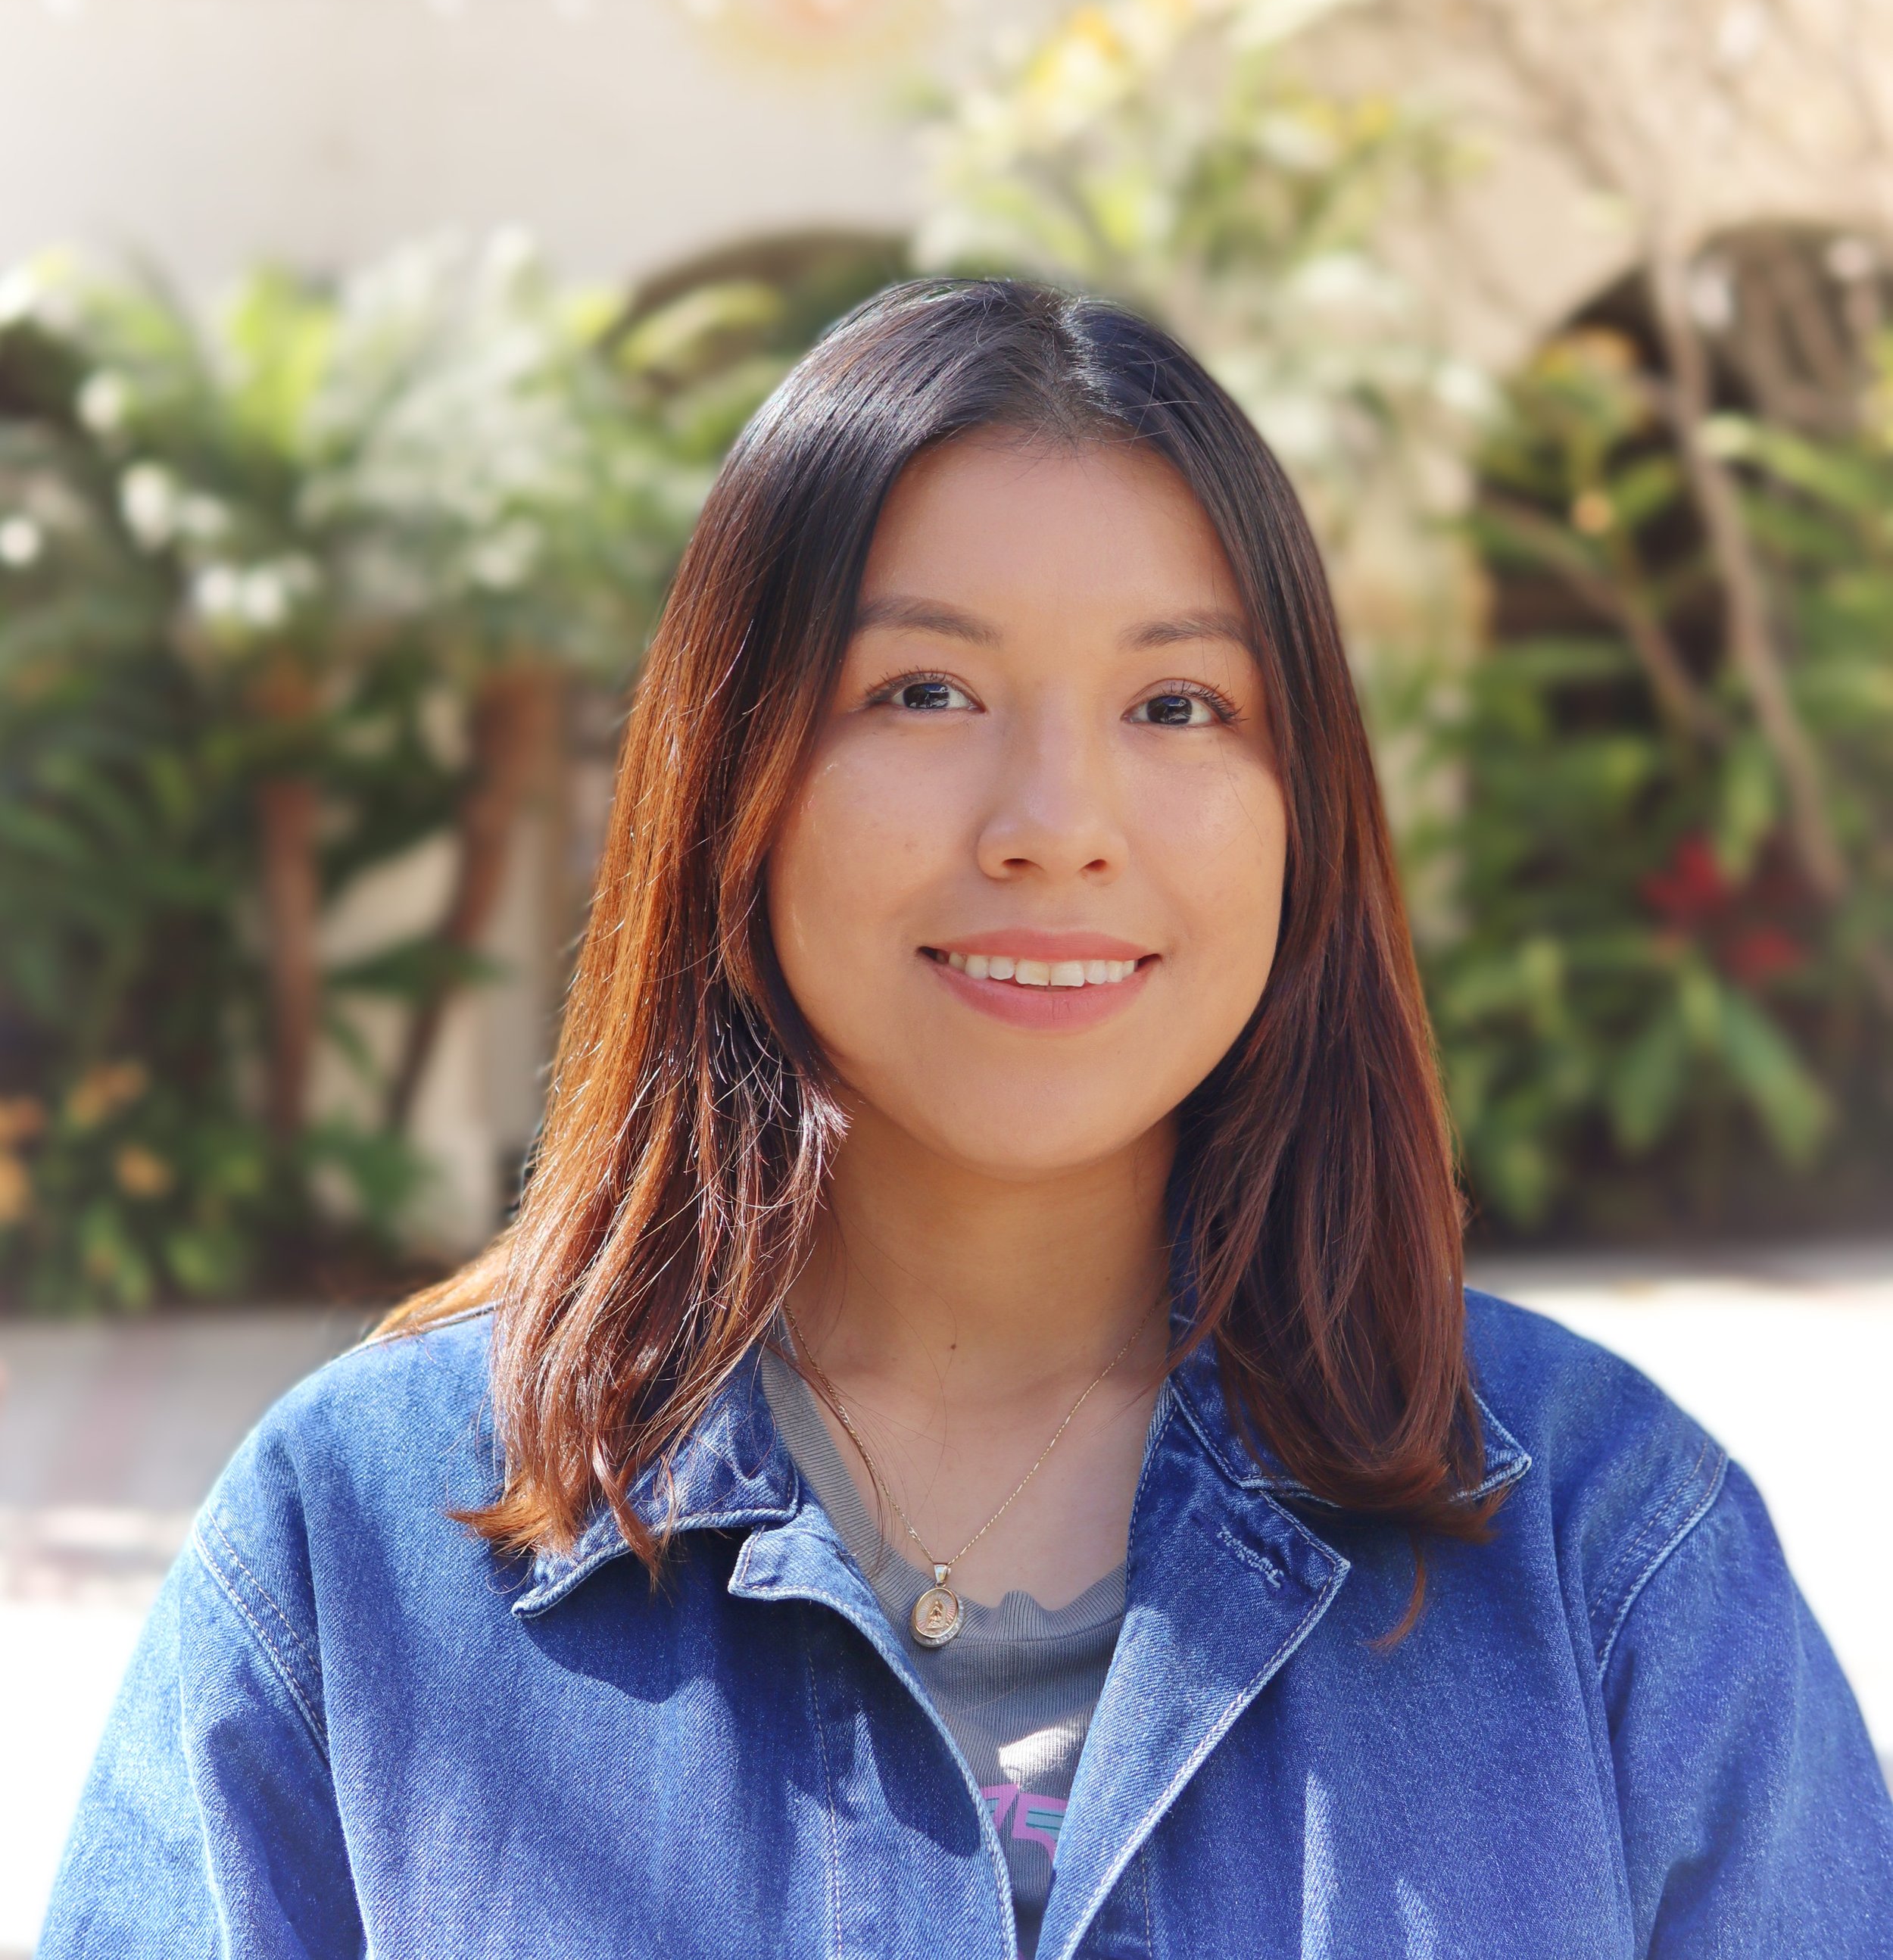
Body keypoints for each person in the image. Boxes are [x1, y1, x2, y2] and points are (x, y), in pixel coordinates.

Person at [42, 279, 1893, 1958]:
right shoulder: (358, 1554)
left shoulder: (1604, 1554)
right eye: (922, 691)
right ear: (731, 777)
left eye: (1179, 702)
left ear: (1304, 809)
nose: (1053, 820)